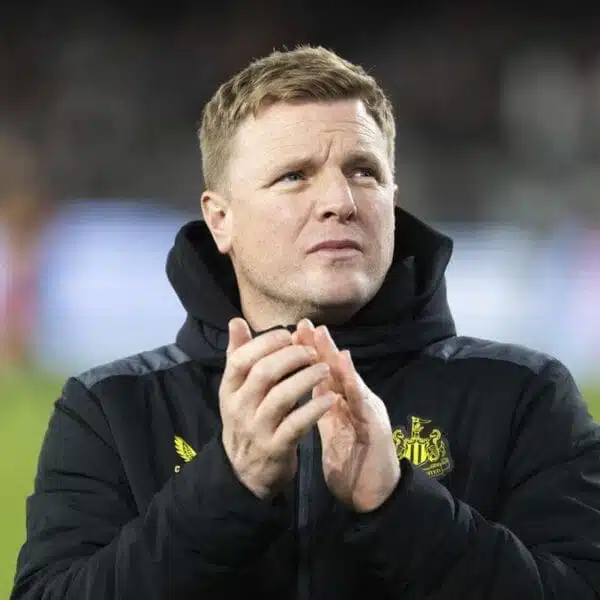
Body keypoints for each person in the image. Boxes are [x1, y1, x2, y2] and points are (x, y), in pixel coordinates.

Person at [11, 45, 600, 599]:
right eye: (294, 175)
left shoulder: (524, 396)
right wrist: (225, 488)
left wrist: (400, 507)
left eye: (364, 171)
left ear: (393, 199)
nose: (341, 200)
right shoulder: (111, 409)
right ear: (221, 220)